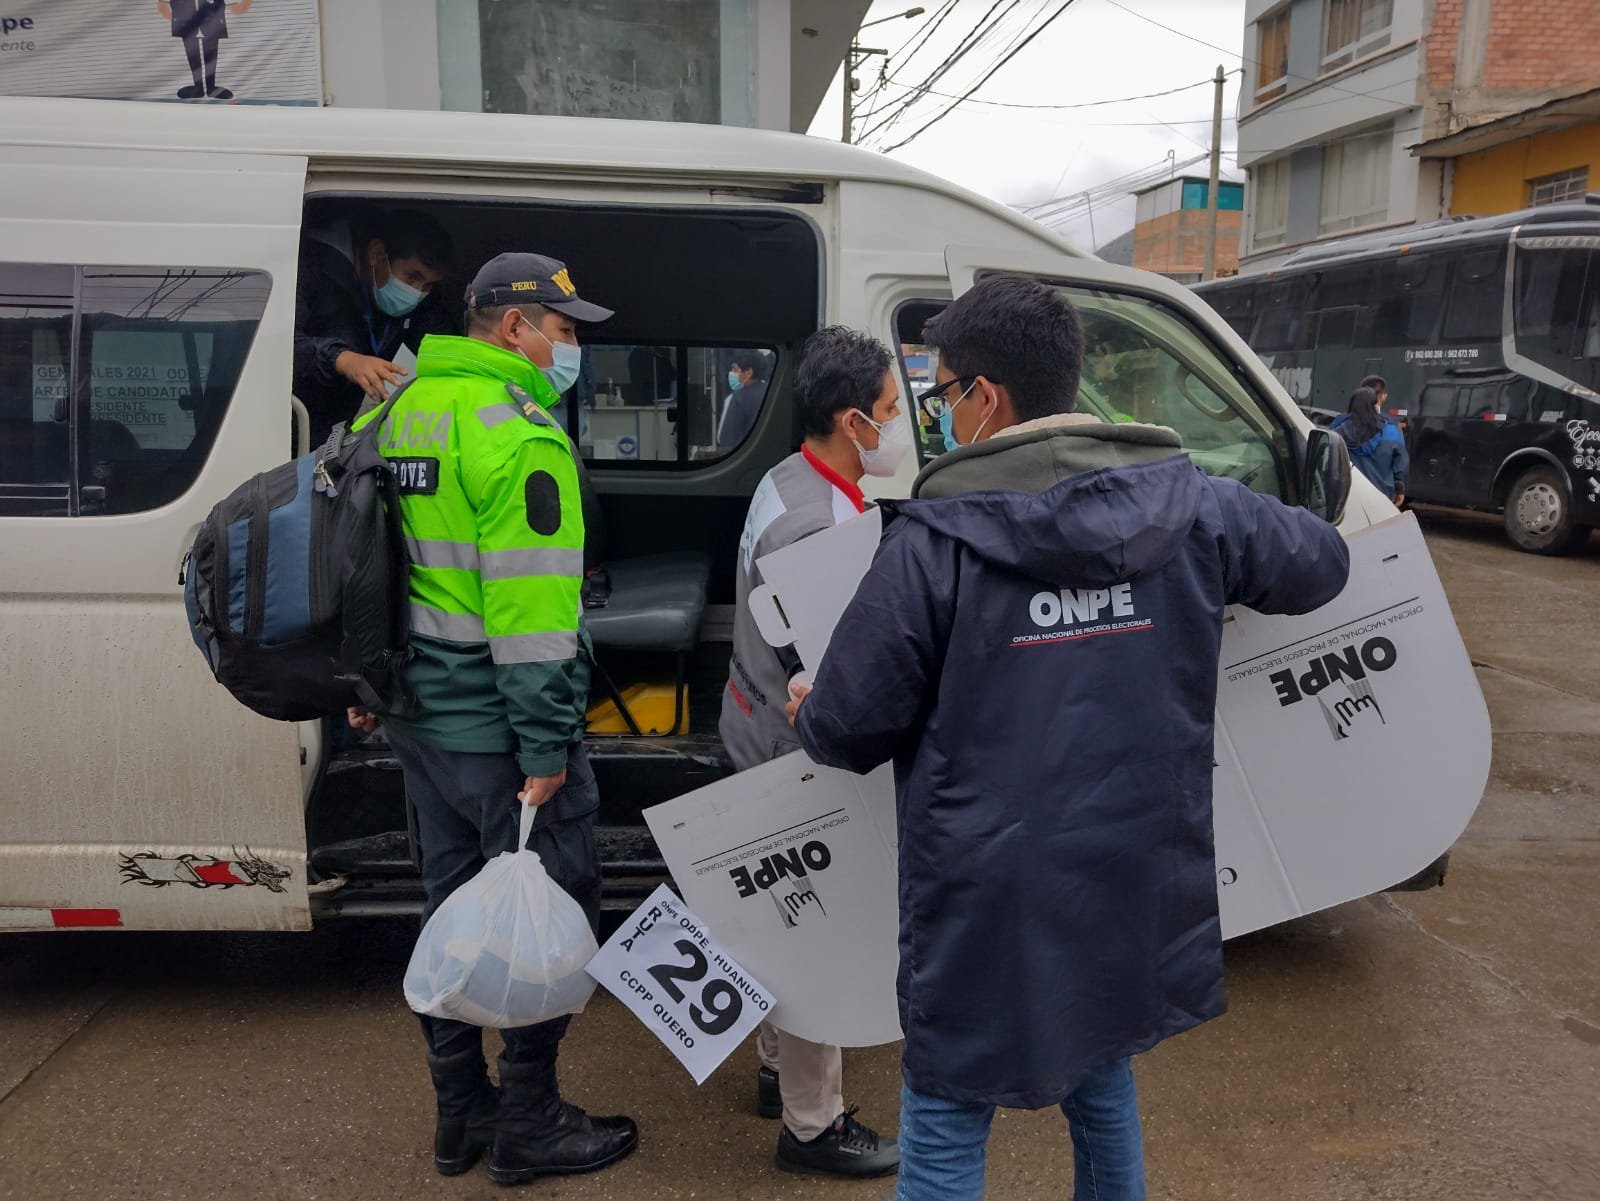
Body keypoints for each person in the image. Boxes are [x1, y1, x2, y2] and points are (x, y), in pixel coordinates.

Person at [784, 275, 1351, 1201]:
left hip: (985, 885)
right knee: (1101, 1062)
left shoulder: (933, 542)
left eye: (943, 393)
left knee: (948, 1107)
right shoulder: (1193, 506)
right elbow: (1322, 561)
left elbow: (846, 726)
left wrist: (810, 700)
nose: (939, 414)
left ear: (985, 396)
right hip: (1130, 865)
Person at [347, 252, 637, 1186]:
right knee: (538, 920)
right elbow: (533, 618)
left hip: (415, 722)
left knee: (453, 914)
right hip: (500, 738)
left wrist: (364, 683)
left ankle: (459, 1116)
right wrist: (548, 743)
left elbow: (355, 566)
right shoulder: (518, 435)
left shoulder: (391, 407)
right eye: (563, 329)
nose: (573, 346)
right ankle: (530, 1118)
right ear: (513, 328)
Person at [719, 325, 909, 1179]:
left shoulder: (790, 476)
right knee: (816, 924)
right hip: (788, 742)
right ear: (851, 419)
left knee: (783, 916)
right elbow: (840, 676)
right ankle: (812, 1122)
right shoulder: (814, 524)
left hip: (752, 716)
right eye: (889, 413)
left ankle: (772, 1071)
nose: (896, 427)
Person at [294, 208, 456, 446]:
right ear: (376, 254)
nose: (417, 293)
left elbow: (447, 343)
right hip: (291, 424)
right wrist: (343, 359)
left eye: (428, 285)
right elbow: (278, 346)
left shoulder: (422, 304)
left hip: (338, 436)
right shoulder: (312, 269)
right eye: (412, 277)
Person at [1332, 383, 1408, 506]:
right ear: (1374, 405)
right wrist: (1399, 486)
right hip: (1382, 496)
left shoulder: (1339, 429)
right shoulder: (1391, 431)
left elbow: (1328, 453)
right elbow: (1401, 460)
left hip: (1348, 496)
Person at [159, 0, 250, 100]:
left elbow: (234, 6)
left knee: (211, 56)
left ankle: (211, 87)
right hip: (187, 25)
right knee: (192, 56)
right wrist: (177, 19)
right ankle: (198, 87)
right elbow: (163, 4)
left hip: (212, 24)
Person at [716, 350, 770, 449]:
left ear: (748, 372)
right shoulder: (773, 392)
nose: (731, 374)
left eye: (734, 370)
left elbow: (725, 440)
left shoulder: (736, 398)